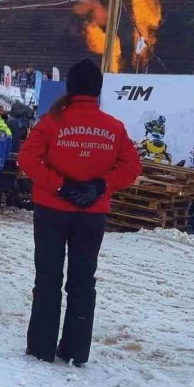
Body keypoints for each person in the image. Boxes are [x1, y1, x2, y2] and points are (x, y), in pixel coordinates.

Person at [18, 59, 141, 367]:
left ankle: (41, 347)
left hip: (51, 211)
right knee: (83, 280)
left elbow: (27, 159)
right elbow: (132, 167)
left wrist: (59, 186)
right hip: (92, 215)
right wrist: (100, 186)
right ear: (98, 90)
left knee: (48, 277)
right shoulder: (114, 127)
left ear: (69, 87)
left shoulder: (51, 122)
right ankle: (75, 350)